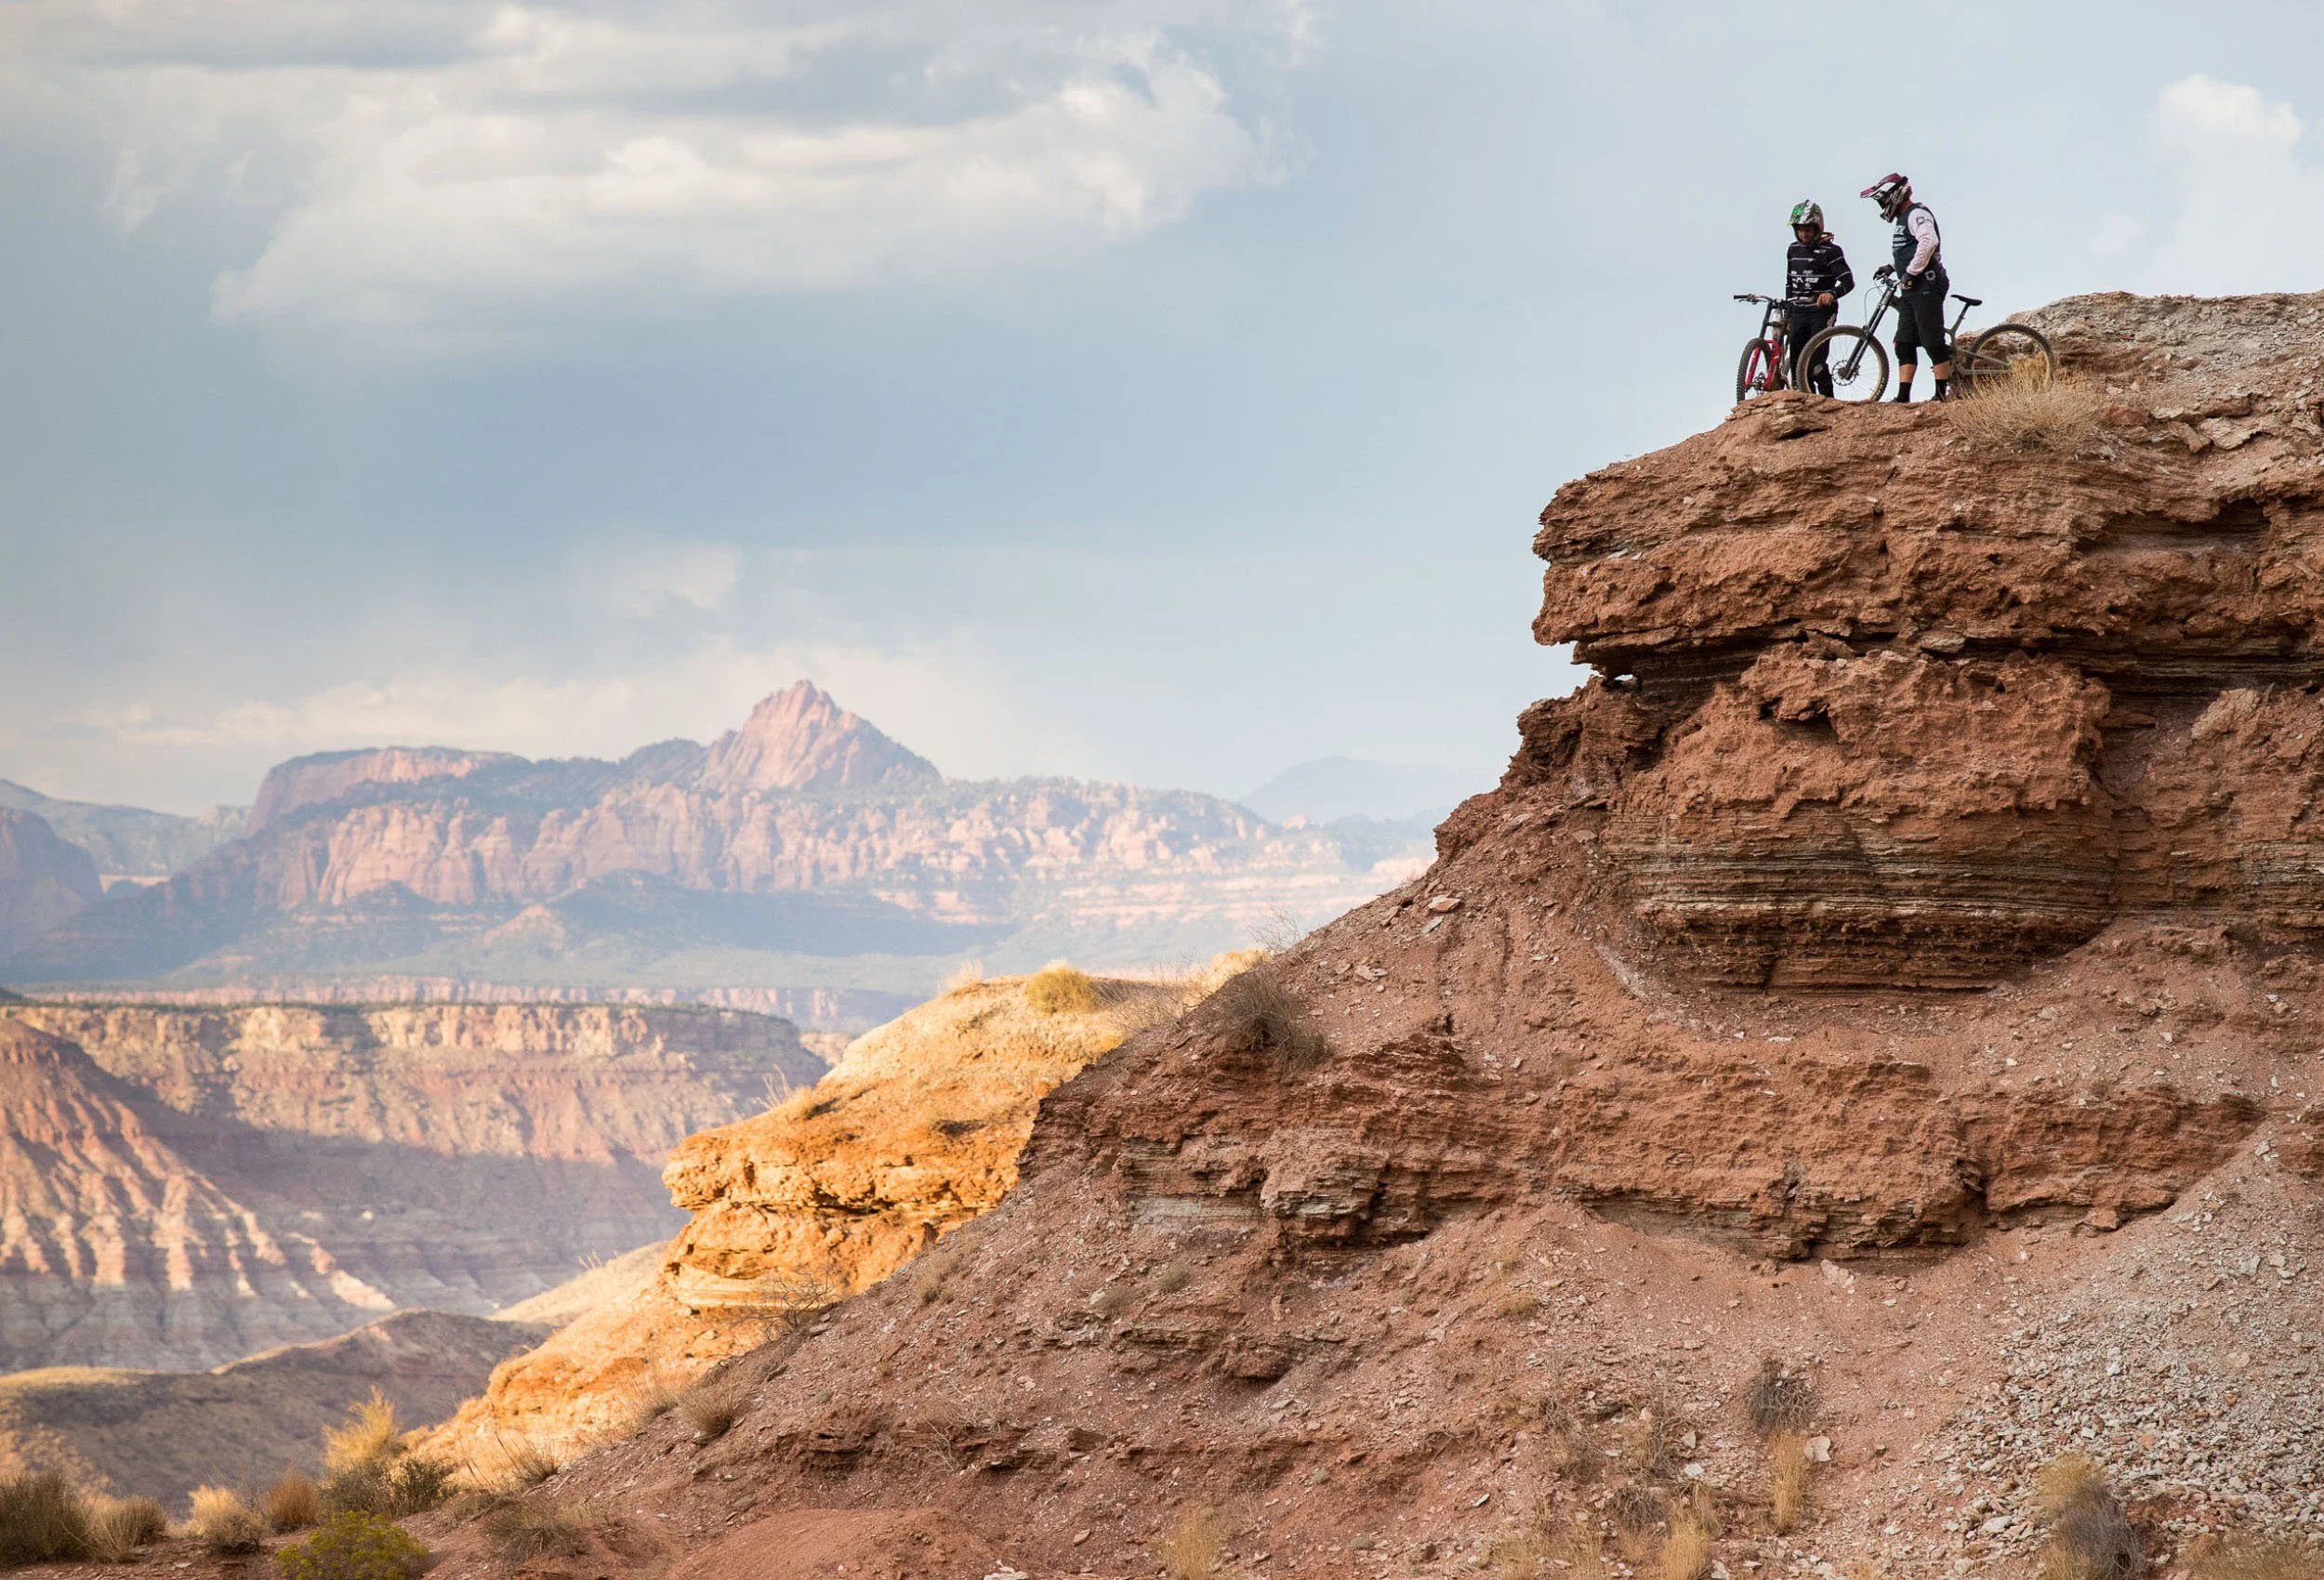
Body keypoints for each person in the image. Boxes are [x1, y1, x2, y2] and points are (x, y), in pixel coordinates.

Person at [1861, 173, 1950, 402]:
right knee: (1903, 342)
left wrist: (1911, 272)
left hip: (1927, 284)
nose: (1882, 206)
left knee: (1932, 339)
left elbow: (1928, 242)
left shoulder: (1917, 213)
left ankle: (1941, 395)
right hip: (1911, 287)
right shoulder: (1903, 219)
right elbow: (1909, 249)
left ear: (1894, 195)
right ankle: (1903, 397)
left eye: (1882, 200)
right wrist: (1892, 266)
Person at [1784, 200, 1853, 396]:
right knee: (1797, 363)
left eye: (1807, 230)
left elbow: (1848, 282)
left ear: (1817, 228)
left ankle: (1829, 403)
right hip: (1798, 311)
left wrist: (1832, 294)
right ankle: (1805, 402)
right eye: (1799, 230)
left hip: (1821, 312)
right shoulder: (1793, 250)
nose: (1803, 234)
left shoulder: (1831, 251)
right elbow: (1790, 282)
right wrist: (1789, 311)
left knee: (1816, 363)